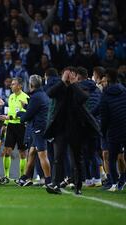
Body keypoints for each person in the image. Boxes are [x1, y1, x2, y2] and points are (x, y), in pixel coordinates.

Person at [45, 66, 100, 195]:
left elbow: (83, 98)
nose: (68, 77)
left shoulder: (81, 87)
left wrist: (74, 84)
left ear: (76, 76)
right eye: (66, 74)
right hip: (61, 129)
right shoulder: (60, 87)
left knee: (76, 158)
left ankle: (78, 186)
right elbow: (49, 94)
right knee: (58, 157)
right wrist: (63, 82)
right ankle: (55, 184)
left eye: (71, 75)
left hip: (76, 129)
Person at [14, 75, 52, 187]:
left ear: (31, 85)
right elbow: (34, 110)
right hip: (40, 126)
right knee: (31, 153)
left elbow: (27, 116)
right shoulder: (42, 95)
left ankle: (48, 180)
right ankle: (25, 177)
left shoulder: (36, 97)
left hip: (39, 128)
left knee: (42, 155)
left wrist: (19, 115)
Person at [0, 77, 29, 181]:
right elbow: (10, 112)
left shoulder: (25, 98)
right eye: (11, 84)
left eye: (13, 84)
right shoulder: (10, 97)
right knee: (7, 151)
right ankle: (6, 176)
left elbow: (24, 114)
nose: (11, 86)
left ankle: (21, 177)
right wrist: (5, 124)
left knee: (22, 152)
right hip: (10, 126)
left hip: (21, 126)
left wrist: (9, 117)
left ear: (20, 86)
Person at [100, 68, 126, 191]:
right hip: (124, 127)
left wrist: (103, 131)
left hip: (113, 130)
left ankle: (115, 183)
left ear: (108, 78)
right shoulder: (124, 90)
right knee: (121, 157)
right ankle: (122, 180)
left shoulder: (105, 94)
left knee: (111, 158)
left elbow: (104, 116)